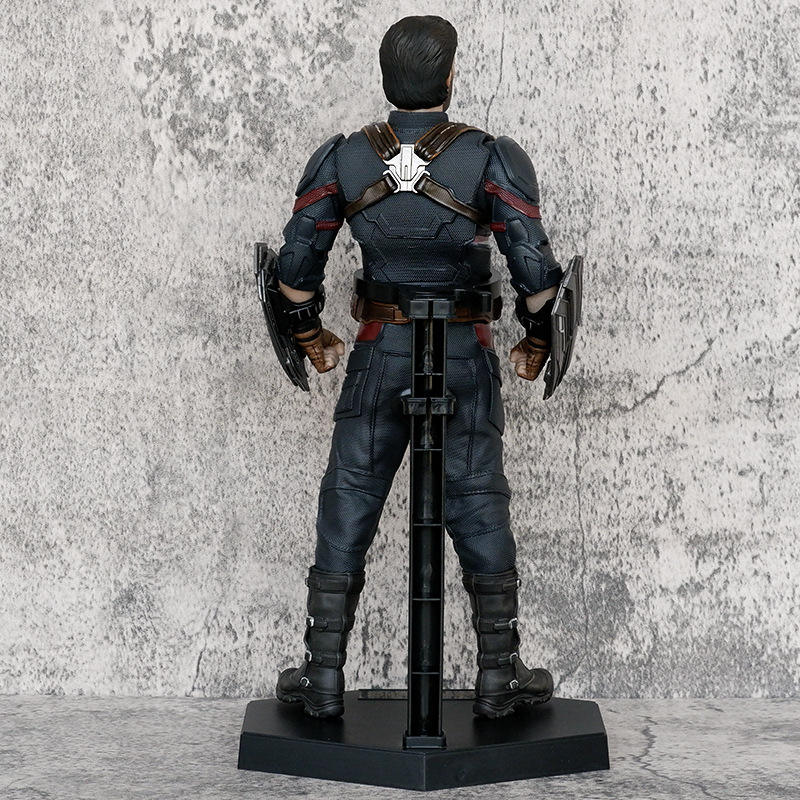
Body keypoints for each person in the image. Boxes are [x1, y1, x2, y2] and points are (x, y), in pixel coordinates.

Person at [273, 15, 564, 720]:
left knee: (349, 498)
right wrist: (536, 338)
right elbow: (537, 279)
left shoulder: (344, 158)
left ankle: (323, 675)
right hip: (463, 356)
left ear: (386, 78)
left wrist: (309, 332)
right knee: (477, 499)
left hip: (380, 351)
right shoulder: (490, 157)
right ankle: (498, 676)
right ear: (451, 76)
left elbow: (294, 274)